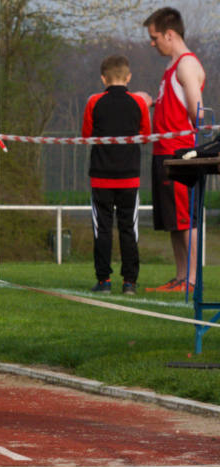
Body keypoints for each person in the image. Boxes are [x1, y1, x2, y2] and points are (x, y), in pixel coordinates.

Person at [143, 7, 206, 293]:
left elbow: (197, 112)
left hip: (179, 155)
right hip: (162, 152)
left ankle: (191, 279)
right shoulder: (170, 67)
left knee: (185, 218)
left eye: (155, 37)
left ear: (170, 34)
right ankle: (180, 277)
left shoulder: (186, 65)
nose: (152, 43)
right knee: (172, 220)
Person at [83, 55, 152, 295]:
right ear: (128, 76)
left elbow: (86, 136)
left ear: (103, 78)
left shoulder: (94, 101)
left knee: (102, 229)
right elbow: (146, 135)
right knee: (128, 229)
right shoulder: (139, 103)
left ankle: (103, 281)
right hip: (129, 177)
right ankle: (129, 283)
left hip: (100, 177)